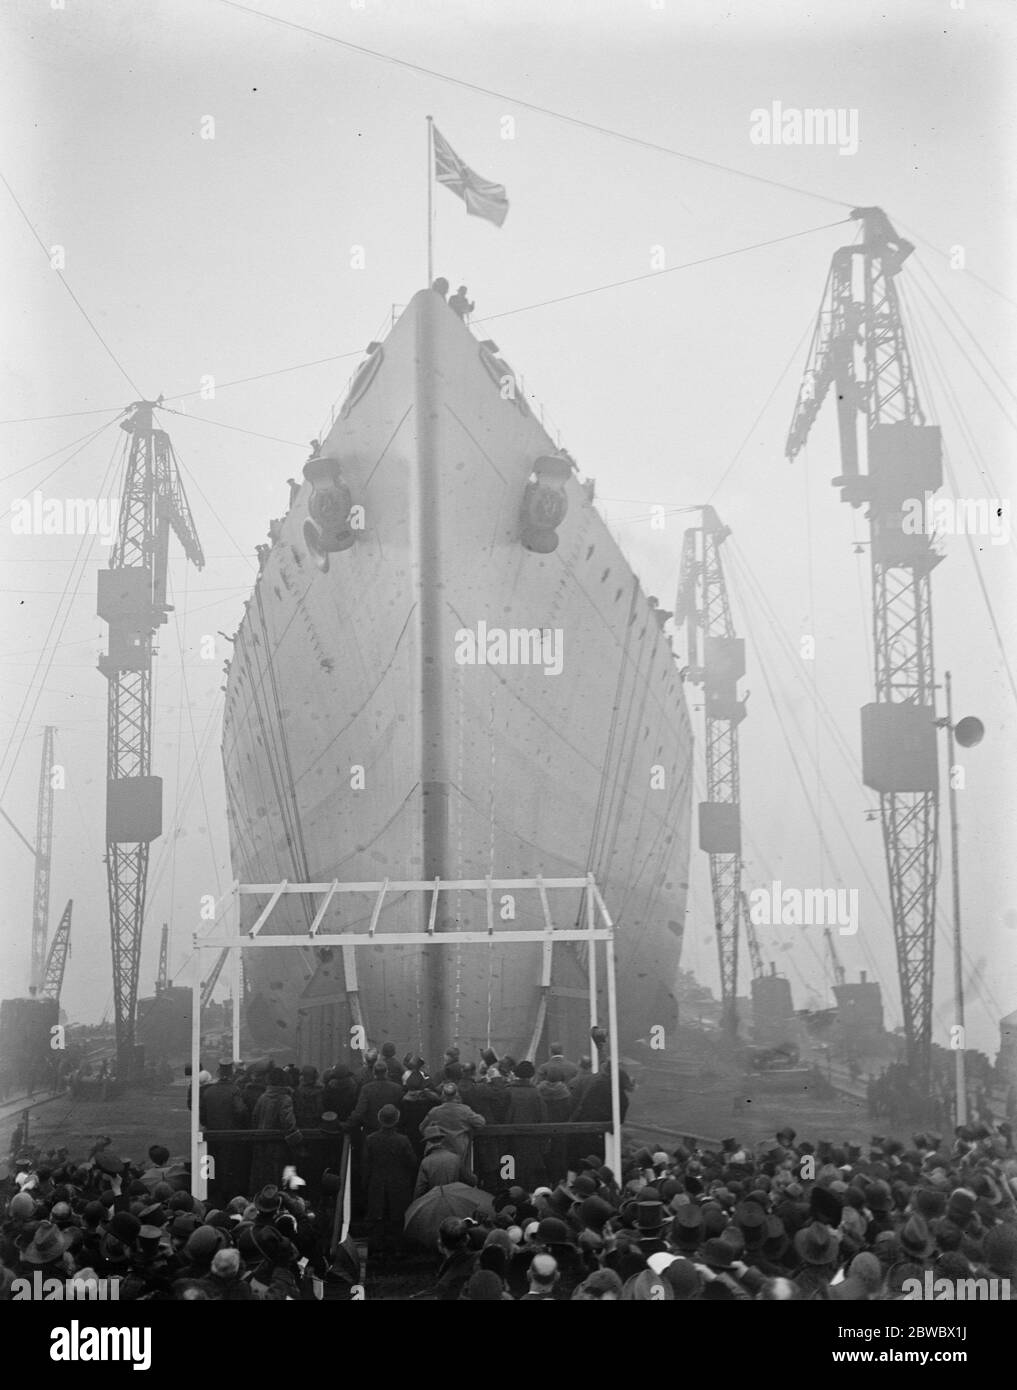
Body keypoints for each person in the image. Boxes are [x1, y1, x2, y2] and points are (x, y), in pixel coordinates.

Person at [362, 1106, 418, 1264]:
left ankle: (378, 1250)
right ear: (396, 1119)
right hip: (399, 1183)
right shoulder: (403, 1140)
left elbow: (366, 1164)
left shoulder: (370, 1139)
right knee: (398, 1217)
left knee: (378, 1218)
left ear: (380, 1119)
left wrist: (365, 1183)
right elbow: (412, 1162)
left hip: (377, 1182)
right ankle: (398, 1249)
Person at [248, 1069, 301, 1193]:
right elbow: (288, 1123)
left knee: (263, 1177)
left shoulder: (262, 1097)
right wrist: (298, 1141)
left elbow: (254, 1118)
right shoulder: (285, 1098)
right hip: (279, 1146)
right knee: (279, 1178)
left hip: (261, 1145)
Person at [418, 1083, 486, 1159]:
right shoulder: (465, 1110)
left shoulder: (434, 1112)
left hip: (439, 1151)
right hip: (459, 1151)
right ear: (457, 1095)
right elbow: (481, 1123)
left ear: (443, 1096)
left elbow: (422, 1128)